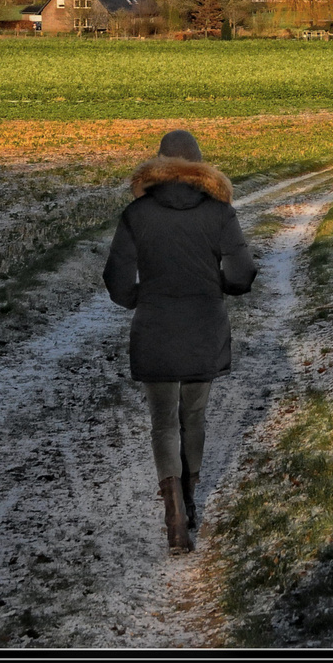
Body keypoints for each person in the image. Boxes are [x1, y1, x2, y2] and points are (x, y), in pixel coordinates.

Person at [103, 129, 256, 552]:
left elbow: (116, 281)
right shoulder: (220, 214)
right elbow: (243, 273)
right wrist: (218, 286)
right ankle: (190, 498)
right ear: (201, 167)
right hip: (204, 326)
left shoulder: (137, 215)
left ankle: (173, 515)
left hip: (154, 328)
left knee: (162, 423)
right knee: (194, 418)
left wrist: (140, 297)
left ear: (158, 165)